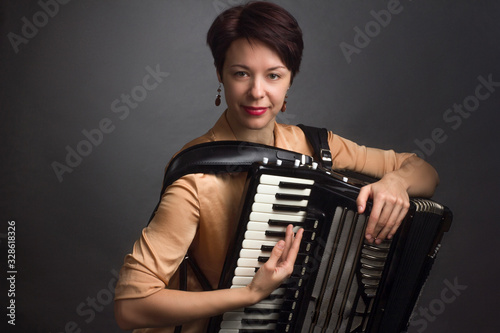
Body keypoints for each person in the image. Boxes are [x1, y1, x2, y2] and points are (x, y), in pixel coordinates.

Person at [114, 2, 439, 332]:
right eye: (241, 73)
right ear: (220, 75)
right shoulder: (197, 178)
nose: (257, 92)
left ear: (289, 81)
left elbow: (424, 172)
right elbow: (131, 307)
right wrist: (248, 294)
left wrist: (396, 182)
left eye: (273, 75)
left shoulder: (316, 146)